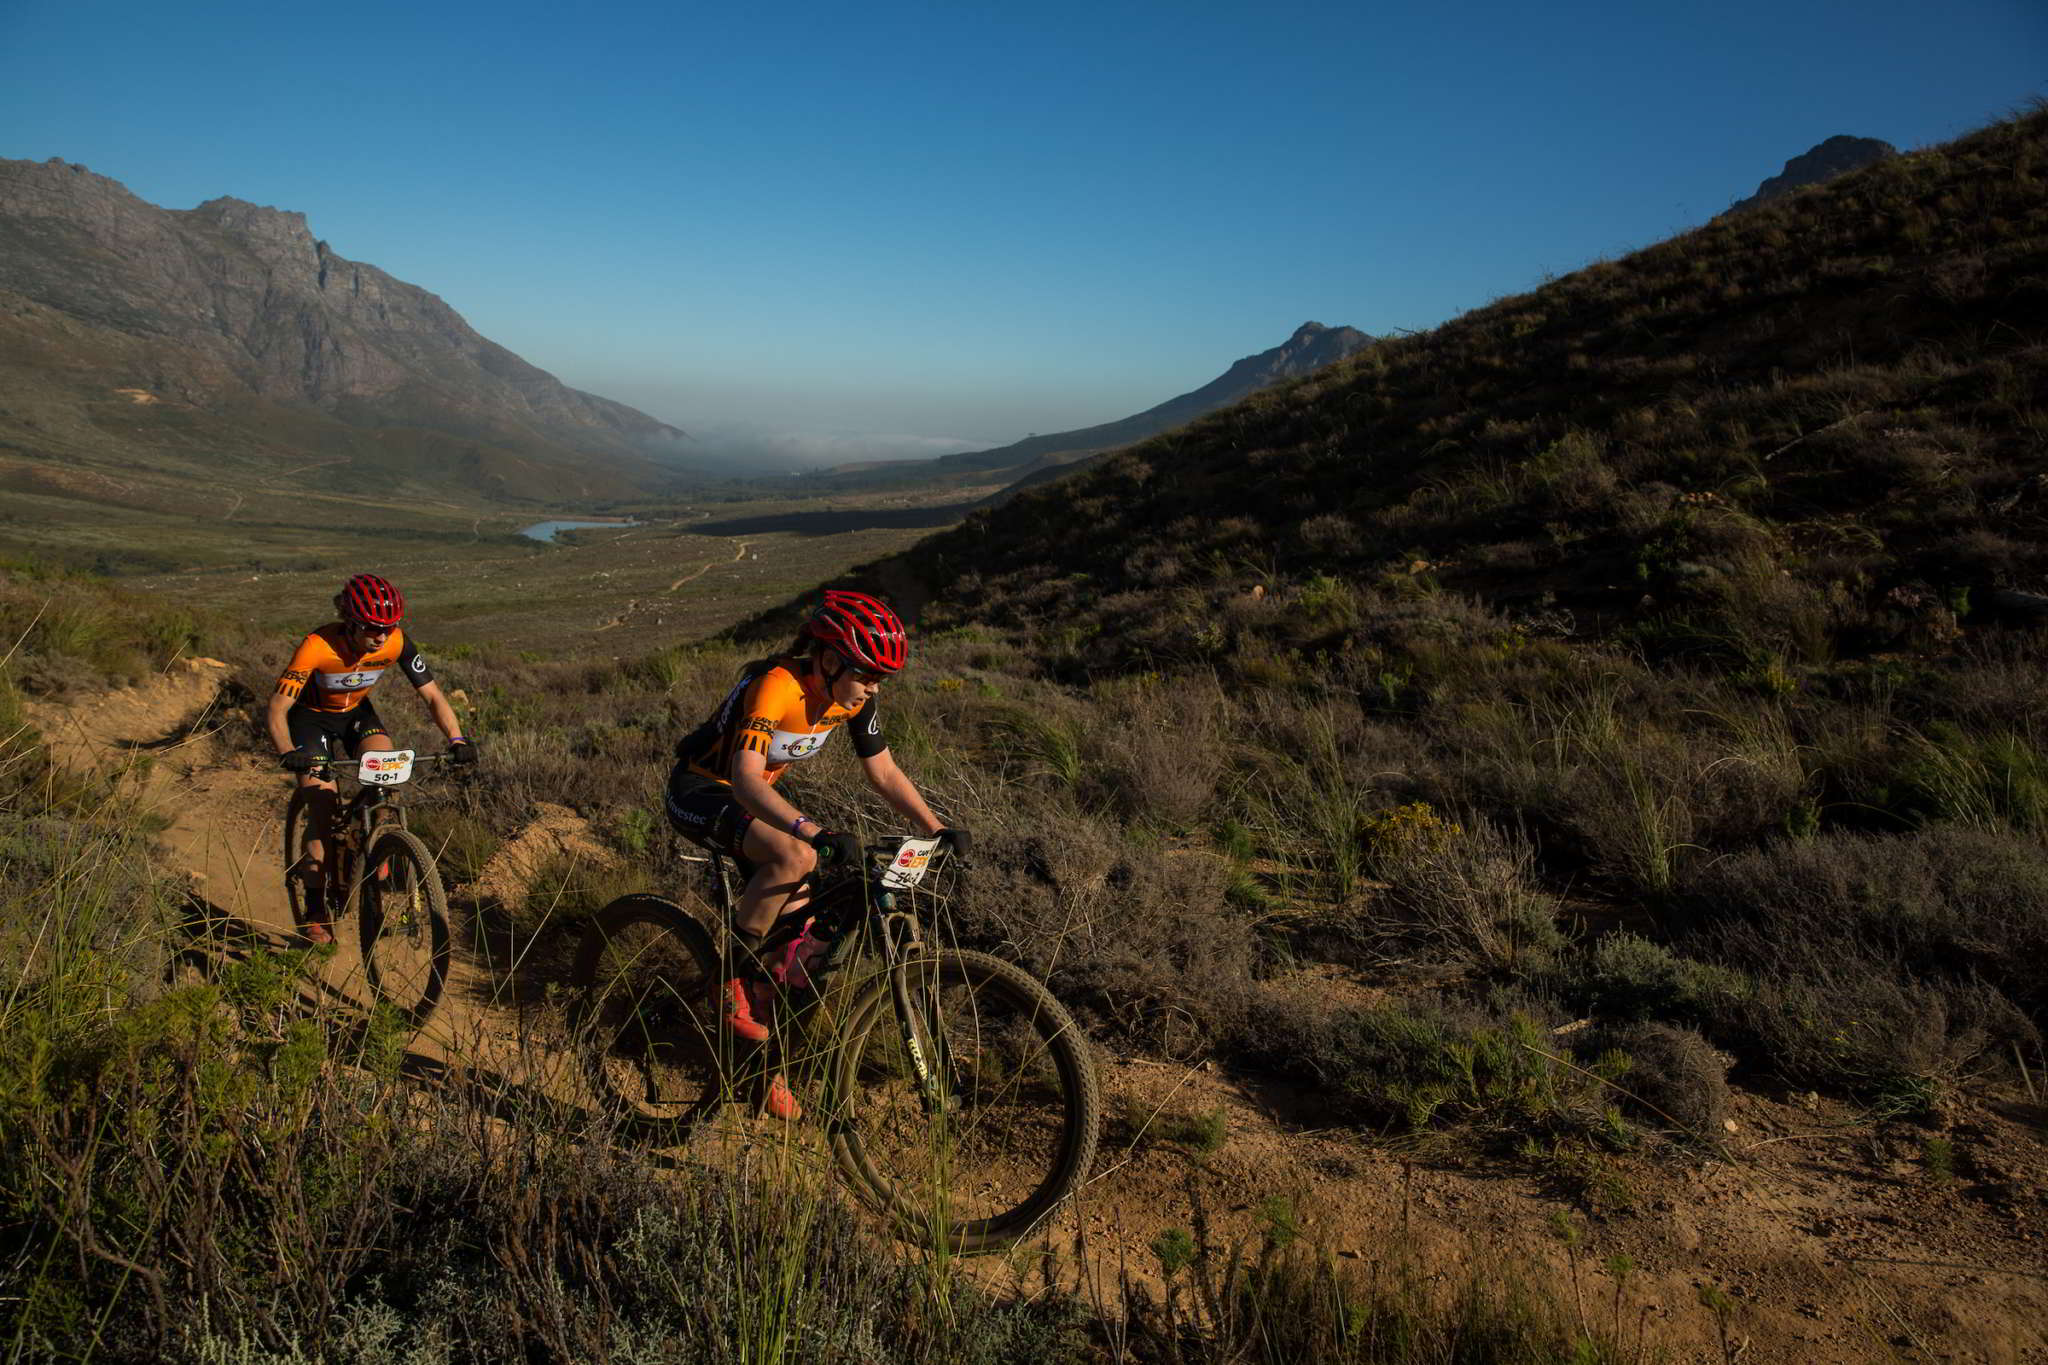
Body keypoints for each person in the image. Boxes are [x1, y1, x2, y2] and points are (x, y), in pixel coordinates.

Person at [665, 589, 967, 1120]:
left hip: (751, 798)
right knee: (795, 856)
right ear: (828, 659)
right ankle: (727, 984)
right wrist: (814, 832)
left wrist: (936, 828)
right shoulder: (774, 687)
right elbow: (745, 780)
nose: (873, 687)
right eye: (867, 673)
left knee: (799, 954)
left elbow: (884, 774)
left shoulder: (851, 696)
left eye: (881, 679)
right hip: (702, 790)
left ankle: (761, 1068)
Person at [267, 573, 476, 943]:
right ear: (349, 621)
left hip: (357, 715)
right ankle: (315, 907)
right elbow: (278, 707)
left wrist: (457, 739)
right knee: (322, 809)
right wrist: (288, 752)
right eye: (372, 628)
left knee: (387, 776)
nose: (381, 636)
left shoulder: (395, 642)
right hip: (310, 720)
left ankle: (376, 847)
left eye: (389, 627)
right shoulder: (316, 646)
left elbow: (433, 697)